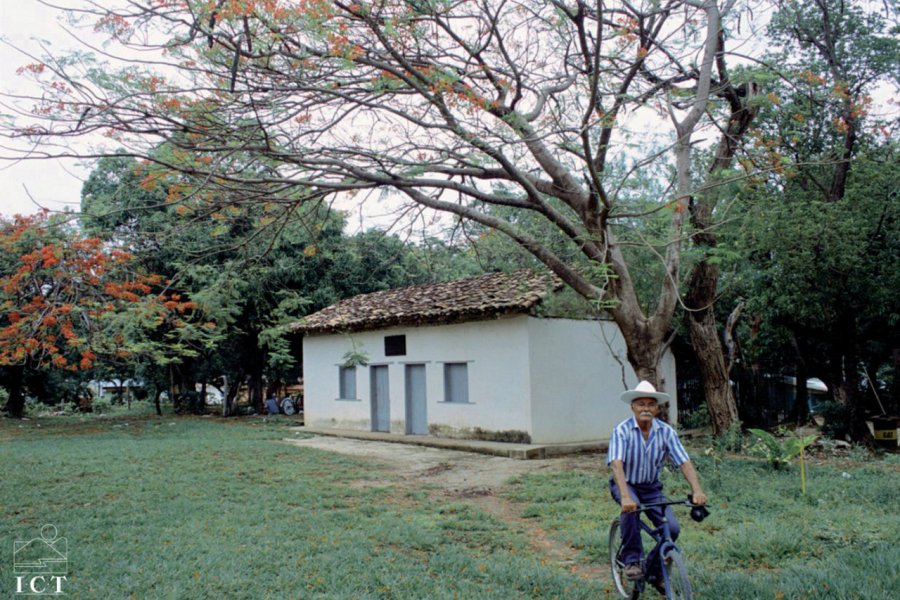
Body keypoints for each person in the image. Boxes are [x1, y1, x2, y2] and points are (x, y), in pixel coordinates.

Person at [607, 380, 707, 587]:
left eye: (651, 404)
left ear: (657, 408)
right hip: (626, 483)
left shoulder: (666, 432)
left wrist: (697, 490)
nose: (646, 408)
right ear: (632, 406)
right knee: (631, 511)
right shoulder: (621, 431)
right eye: (641, 404)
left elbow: (684, 462)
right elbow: (616, 465)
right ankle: (632, 561)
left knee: (672, 528)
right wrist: (625, 496)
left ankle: (652, 572)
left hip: (651, 487)